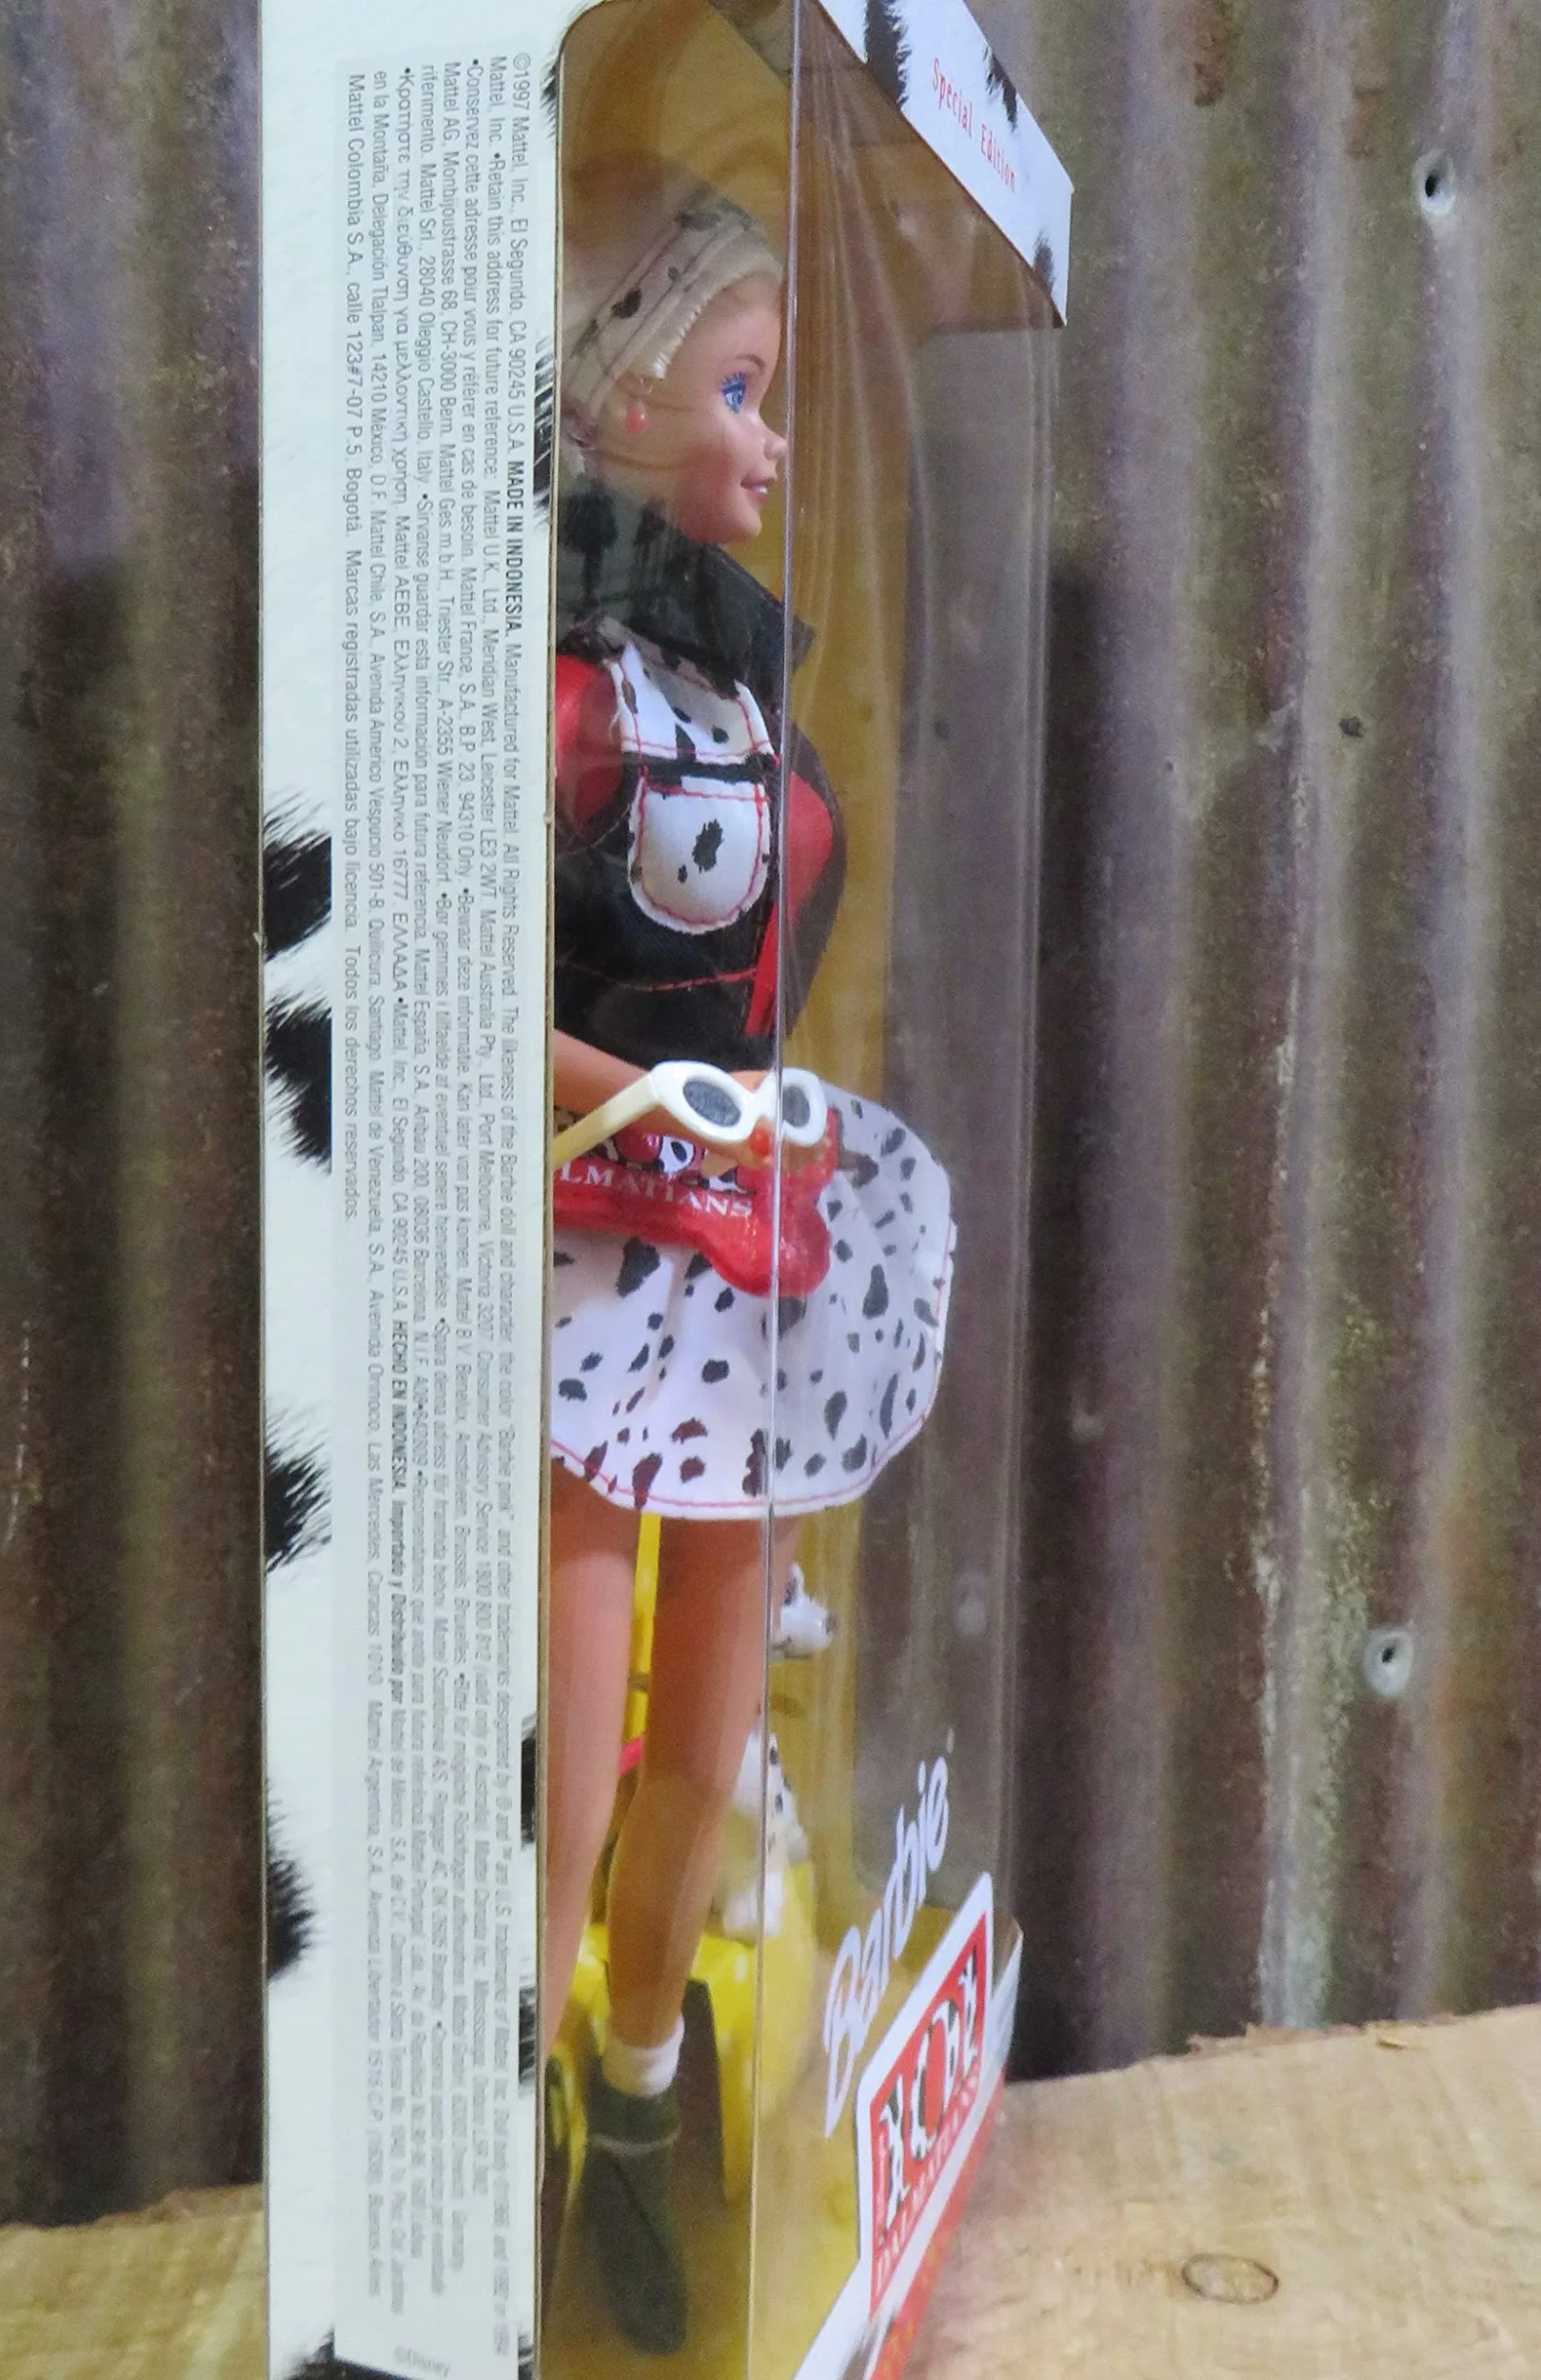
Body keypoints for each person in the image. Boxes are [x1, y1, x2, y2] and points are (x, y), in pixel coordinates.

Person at [543, 163, 954, 2354]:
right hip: (591, 1246)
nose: (774, 439)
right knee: (570, 1739)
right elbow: (456, 985)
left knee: (706, 1720)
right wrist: (637, 1096)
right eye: (738, 387)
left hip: (743, 1251)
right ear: (618, 387)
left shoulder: (723, 678)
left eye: (778, 391)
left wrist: (758, 1110)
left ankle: (634, 2077)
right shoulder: (562, 695)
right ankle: (509, 2103)